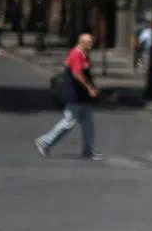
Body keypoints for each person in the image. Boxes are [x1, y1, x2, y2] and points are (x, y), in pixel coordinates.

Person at [34, 32, 102, 160]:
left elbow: (86, 73)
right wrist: (89, 88)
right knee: (69, 121)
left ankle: (88, 150)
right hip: (74, 94)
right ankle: (45, 141)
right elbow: (77, 74)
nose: (92, 44)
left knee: (88, 123)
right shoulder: (76, 54)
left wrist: (92, 88)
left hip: (83, 96)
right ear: (81, 42)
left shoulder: (84, 54)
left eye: (92, 41)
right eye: (89, 42)